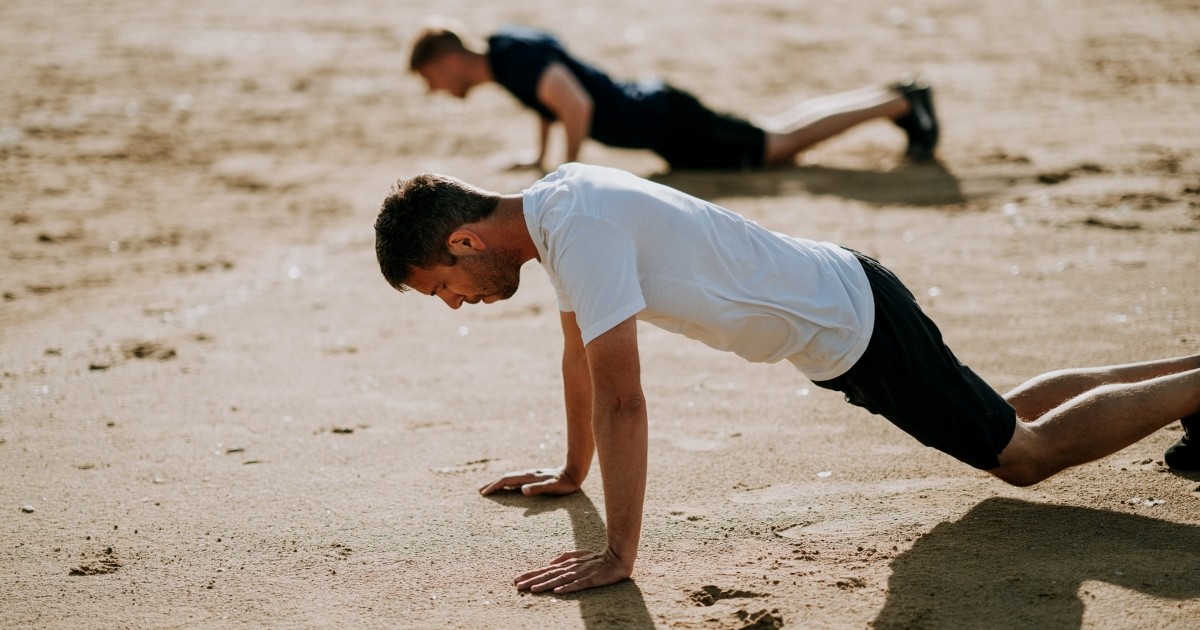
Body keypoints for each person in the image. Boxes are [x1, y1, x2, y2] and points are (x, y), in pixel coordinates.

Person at [373, 162, 1200, 595]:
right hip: (846, 302)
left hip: (853, 326)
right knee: (1007, 412)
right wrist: (570, 472)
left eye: (441, 288)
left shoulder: (574, 229)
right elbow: (579, 358)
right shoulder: (558, 209)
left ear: (464, 244)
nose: (454, 305)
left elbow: (624, 398)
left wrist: (620, 553)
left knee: (1021, 456)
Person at [407, 18, 939, 171]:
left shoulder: (512, 63)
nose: (437, 90)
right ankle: (894, 95)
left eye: (431, 79)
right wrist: (541, 156)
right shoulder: (506, 50)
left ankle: (899, 104)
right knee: (774, 129)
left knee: (776, 146)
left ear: (447, 59)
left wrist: (568, 172)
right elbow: (552, 102)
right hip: (660, 115)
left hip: (663, 121)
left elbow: (577, 105)